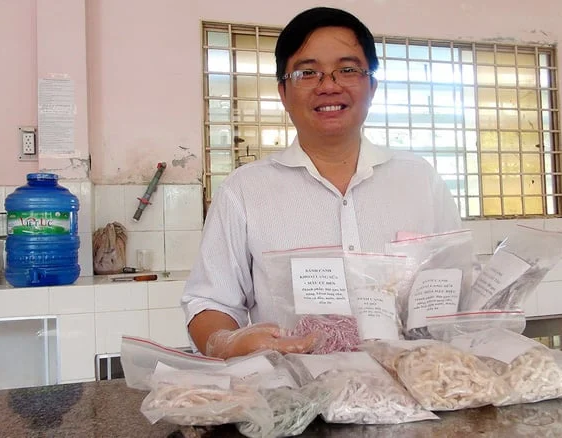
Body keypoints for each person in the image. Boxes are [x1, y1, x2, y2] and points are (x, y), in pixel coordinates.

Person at [182, 6, 461, 358]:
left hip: (413, 385)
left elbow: (457, 286)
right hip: (294, 388)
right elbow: (209, 302)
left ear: (372, 86)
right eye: (308, 73)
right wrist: (228, 343)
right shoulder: (244, 191)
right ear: (283, 93)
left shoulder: (420, 180)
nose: (329, 86)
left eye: (347, 70)